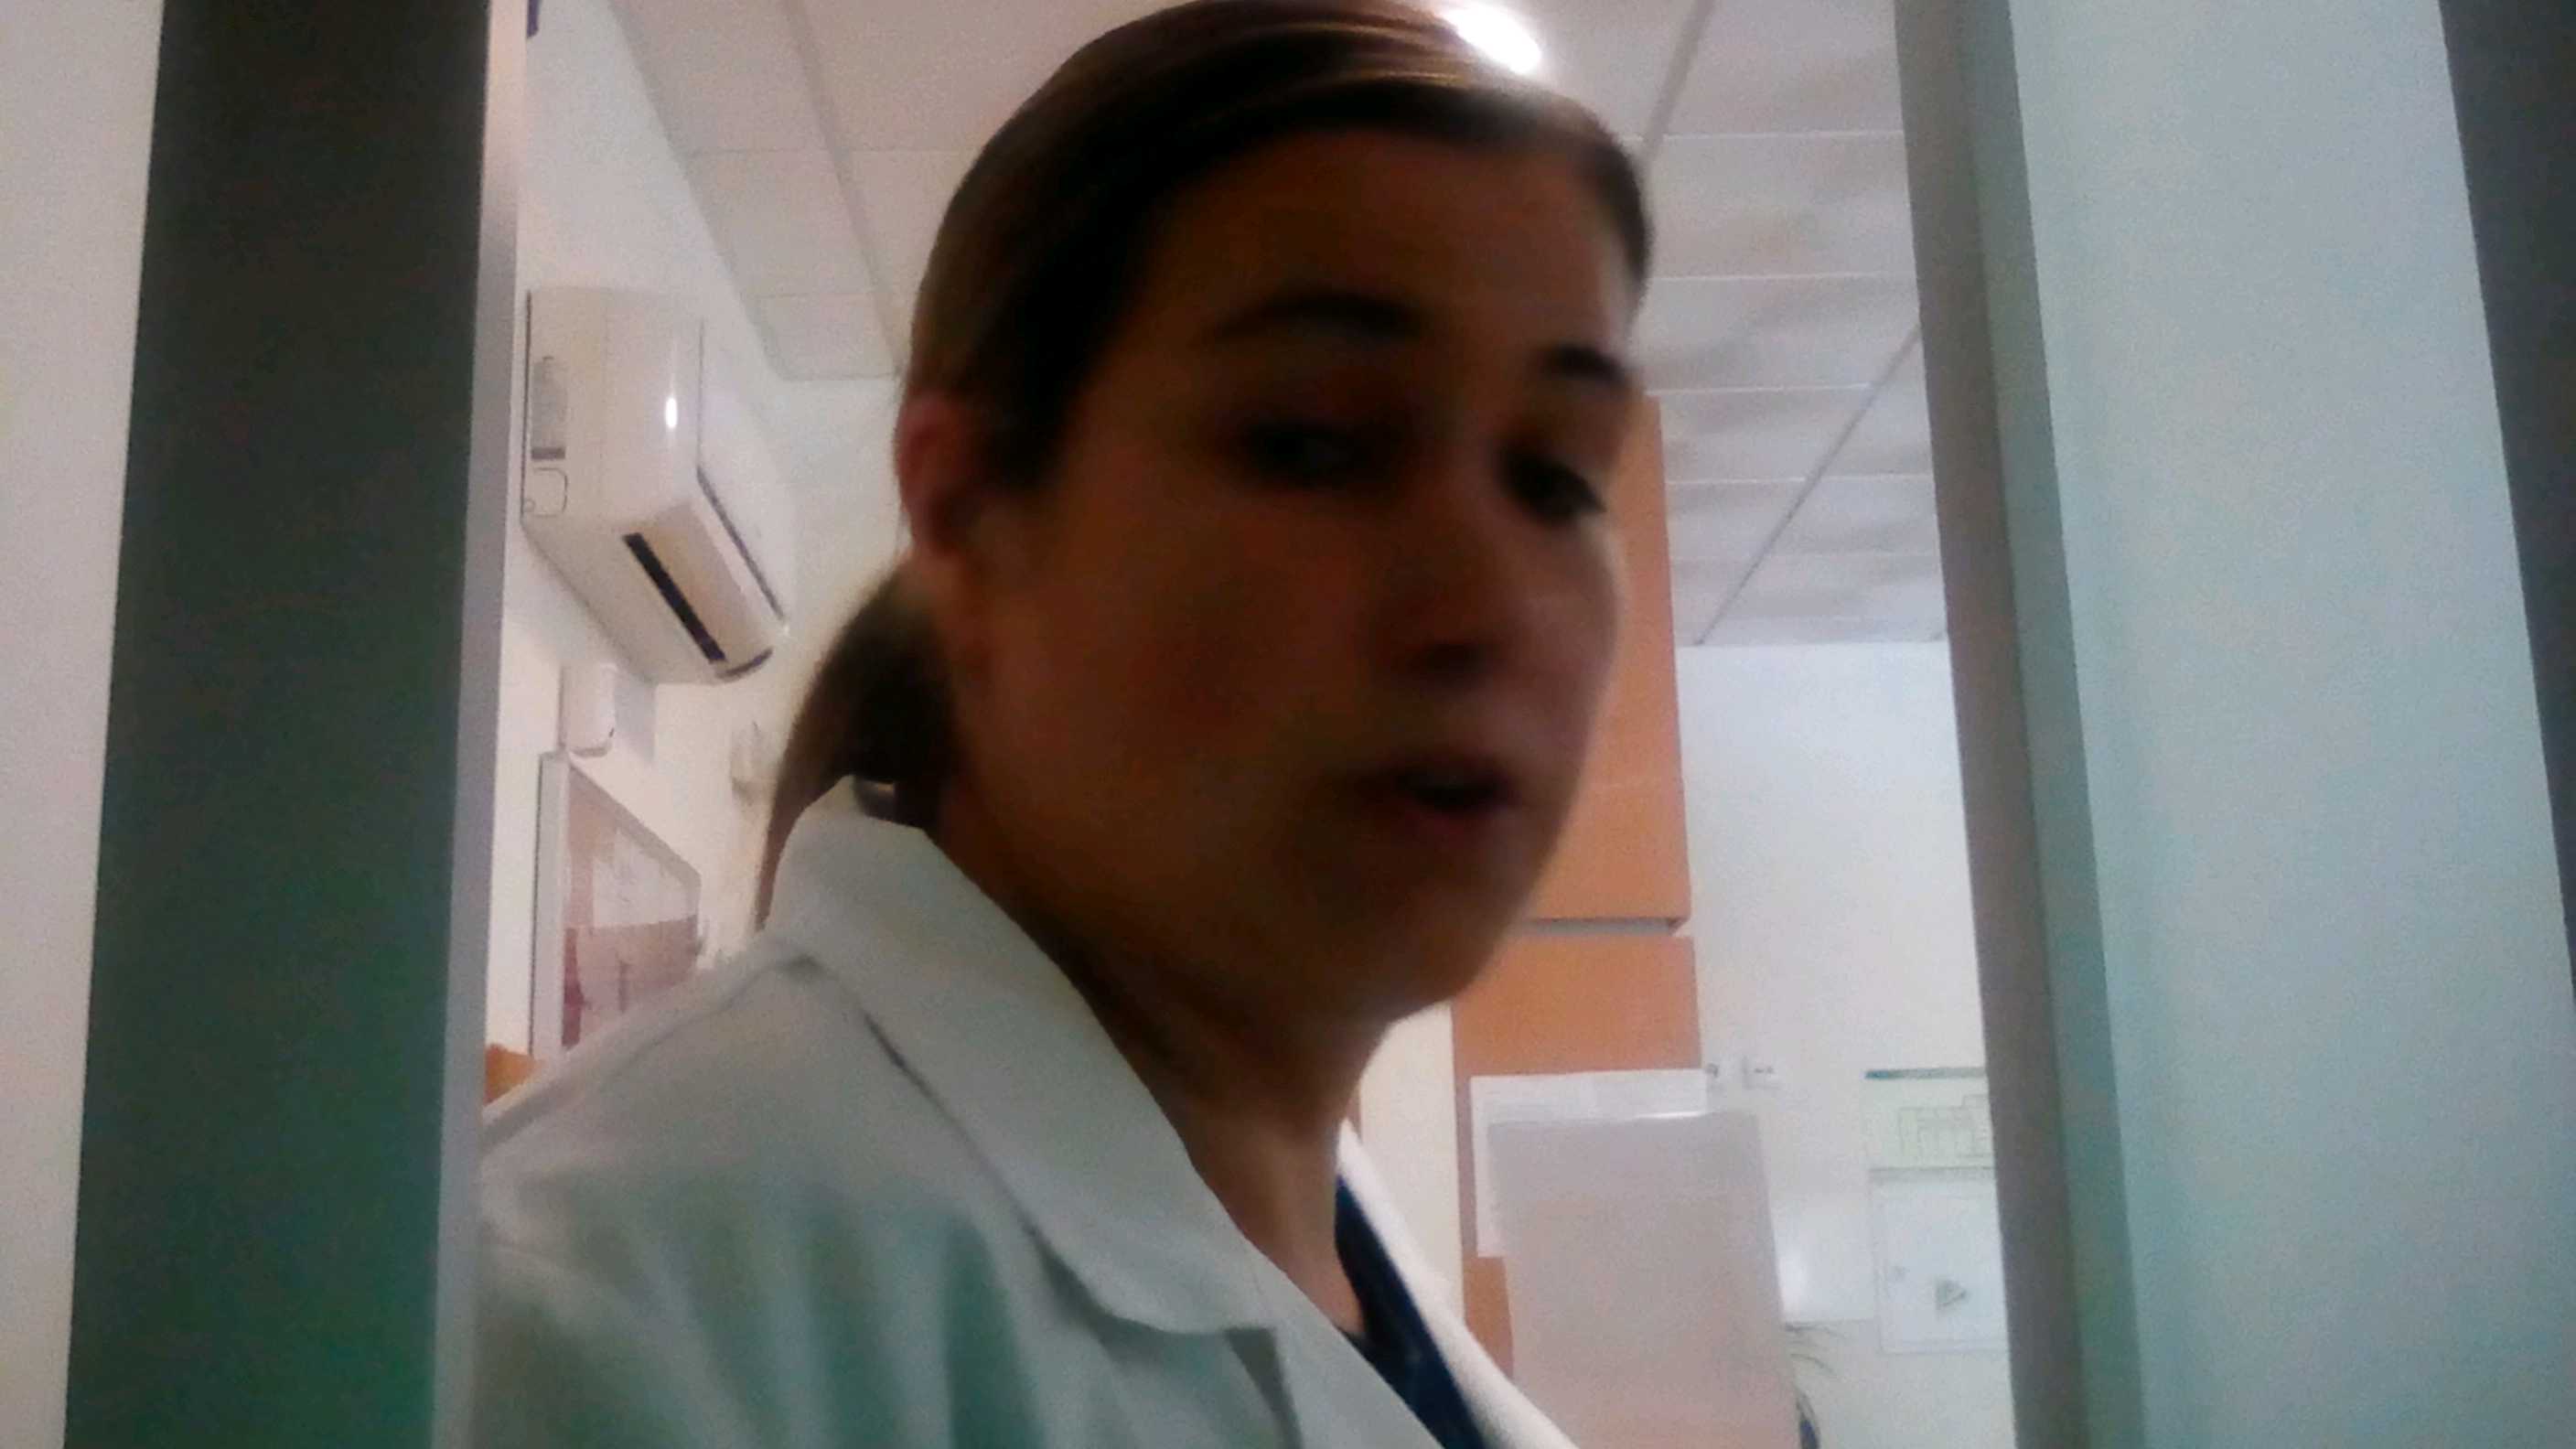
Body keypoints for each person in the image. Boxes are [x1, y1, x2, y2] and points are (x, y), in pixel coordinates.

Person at [473, 2, 1652, 1444]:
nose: (1489, 605)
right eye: (1313, 443)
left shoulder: (1330, 1233)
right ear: (970, 518)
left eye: (1557, 474)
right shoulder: (597, 1309)